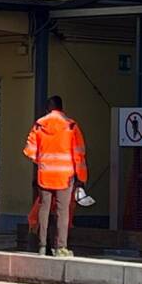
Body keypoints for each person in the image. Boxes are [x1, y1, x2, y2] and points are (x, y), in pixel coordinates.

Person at [22, 94, 88, 257]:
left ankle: (42, 246)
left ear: (48, 108)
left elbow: (30, 152)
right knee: (62, 211)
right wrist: (82, 177)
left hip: (45, 175)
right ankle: (61, 248)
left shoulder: (39, 125)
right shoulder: (71, 126)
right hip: (65, 177)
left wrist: (43, 162)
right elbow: (79, 154)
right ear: (61, 108)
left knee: (44, 209)